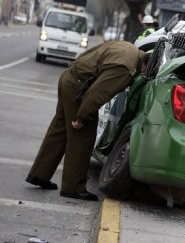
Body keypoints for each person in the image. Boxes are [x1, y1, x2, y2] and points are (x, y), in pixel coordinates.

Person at [25, 41, 147, 201]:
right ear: (144, 65)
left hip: (69, 77)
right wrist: (82, 116)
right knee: (83, 136)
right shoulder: (126, 68)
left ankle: (39, 175)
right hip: (79, 88)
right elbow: (99, 92)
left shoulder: (128, 48)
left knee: (59, 131)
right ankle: (74, 188)